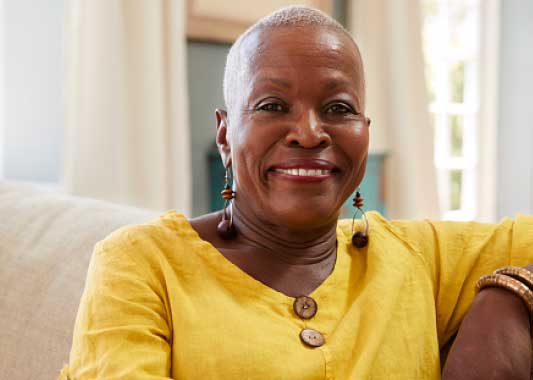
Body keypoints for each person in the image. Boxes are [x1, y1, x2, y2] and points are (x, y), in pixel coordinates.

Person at [58, 5, 533, 380]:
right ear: (225, 135)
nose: (309, 133)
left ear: (365, 131)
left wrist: (510, 296)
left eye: (337, 108)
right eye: (271, 105)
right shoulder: (142, 265)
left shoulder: (420, 258)